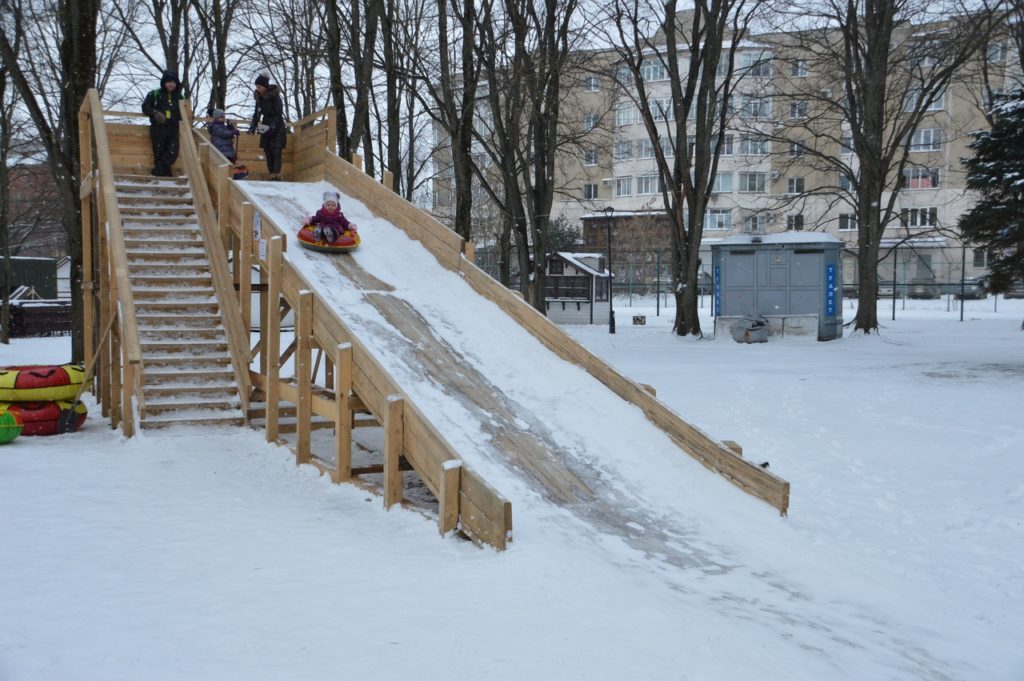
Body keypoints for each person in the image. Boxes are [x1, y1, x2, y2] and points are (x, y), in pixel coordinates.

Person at [141, 70, 184, 176]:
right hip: (159, 126)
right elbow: (145, 107)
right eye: (169, 82)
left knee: (173, 151)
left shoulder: (180, 98)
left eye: (174, 82)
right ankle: (165, 173)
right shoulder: (155, 94)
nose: (172, 85)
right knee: (159, 151)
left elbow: (186, 112)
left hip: (174, 127)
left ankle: (159, 171)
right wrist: (155, 113)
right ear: (164, 82)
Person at [248, 71, 287, 181]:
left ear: (265, 86)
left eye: (259, 86)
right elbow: (257, 113)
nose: (257, 88)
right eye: (256, 86)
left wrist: (273, 126)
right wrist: (253, 126)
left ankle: (277, 174)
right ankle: (271, 174)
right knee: (267, 150)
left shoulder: (275, 97)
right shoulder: (259, 99)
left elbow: (278, 112)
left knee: (276, 150)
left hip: (277, 125)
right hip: (266, 124)